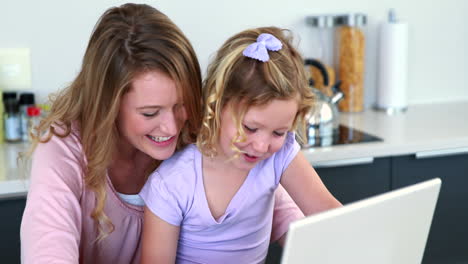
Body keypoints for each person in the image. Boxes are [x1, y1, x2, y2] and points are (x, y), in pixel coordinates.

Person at [20, 4, 304, 264]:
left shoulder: (200, 131)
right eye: (150, 113)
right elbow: (47, 252)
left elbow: (264, 196)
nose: (171, 127)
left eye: (181, 104)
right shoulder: (64, 149)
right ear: (109, 105)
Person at [140, 27, 342, 263]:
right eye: (250, 128)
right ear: (217, 106)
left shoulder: (280, 156)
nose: (261, 146)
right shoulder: (172, 184)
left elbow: (330, 214)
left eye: (278, 132)